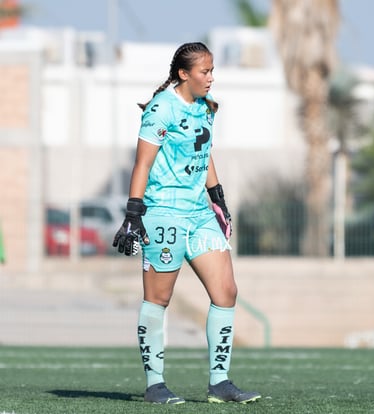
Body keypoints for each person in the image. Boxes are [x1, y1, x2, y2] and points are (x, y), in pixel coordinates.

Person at [113, 41, 261, 405]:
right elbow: (142, 165)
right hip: (163, 212)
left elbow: (204, 152)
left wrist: (218, 198)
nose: (211, 78)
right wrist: (134, 213)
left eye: (212, 71)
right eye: (204, 71)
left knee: (226, 292)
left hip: (199, 214)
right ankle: (155, 384)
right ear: (184, 74)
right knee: (158, 299)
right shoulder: (161, 110)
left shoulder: (207, 108)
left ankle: (220, 382)